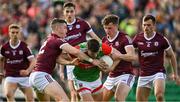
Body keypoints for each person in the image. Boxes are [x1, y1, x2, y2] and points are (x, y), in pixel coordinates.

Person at [29, 18, 108, 102]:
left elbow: (57, 59)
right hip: (42, 75)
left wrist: (70, 62)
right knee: (64, 99)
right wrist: (92, 61)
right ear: (58, 28)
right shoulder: (58, 40)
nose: (67, 31)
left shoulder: (49, 39)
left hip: (34, 76)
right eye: (65, 28)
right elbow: (76, 52)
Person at [60, 2, 102, 102]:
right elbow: (60, 50)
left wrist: (104, 47)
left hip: (86, 58)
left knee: (88, 93)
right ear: (64, 13)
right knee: (74, 93)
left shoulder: (83, 23)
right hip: (72, 60)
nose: (69, 14)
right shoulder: (61, 27)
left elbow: (95, 37)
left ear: (75, 12)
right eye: (67, 11)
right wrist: (61, 71)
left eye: (71, 11)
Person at [133, 14, 179, 102]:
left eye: (149, 25)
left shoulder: (161, 39)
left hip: (158, 72)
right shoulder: (138, 38)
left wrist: (175, 74)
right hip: (144, 74)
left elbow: (172, 56)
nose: (146, 27)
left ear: (154, 26)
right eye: (144, 25)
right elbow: (129, 51)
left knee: (159, 95)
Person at [101, 14, 137, 101]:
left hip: (125, 74)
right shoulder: (104, 40)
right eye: (105, 28)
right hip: (111, 76)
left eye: (110, 28)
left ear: (116, 26)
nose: (107, 30)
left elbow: (132, 56)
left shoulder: (124, 38)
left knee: (119, 98)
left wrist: (118, 55)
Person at [0, 24, 35, 102]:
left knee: (30, 100)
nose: (15, 34)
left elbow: (33, 61)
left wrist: (28, 71)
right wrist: (1, 73)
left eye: (17, 32)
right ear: (9, 33)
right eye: (13, 32)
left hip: (24, 77)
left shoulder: (24, 46)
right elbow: (1, 59)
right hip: (11, 76)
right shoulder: (4, 47)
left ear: (19, 34)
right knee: (8, 94)